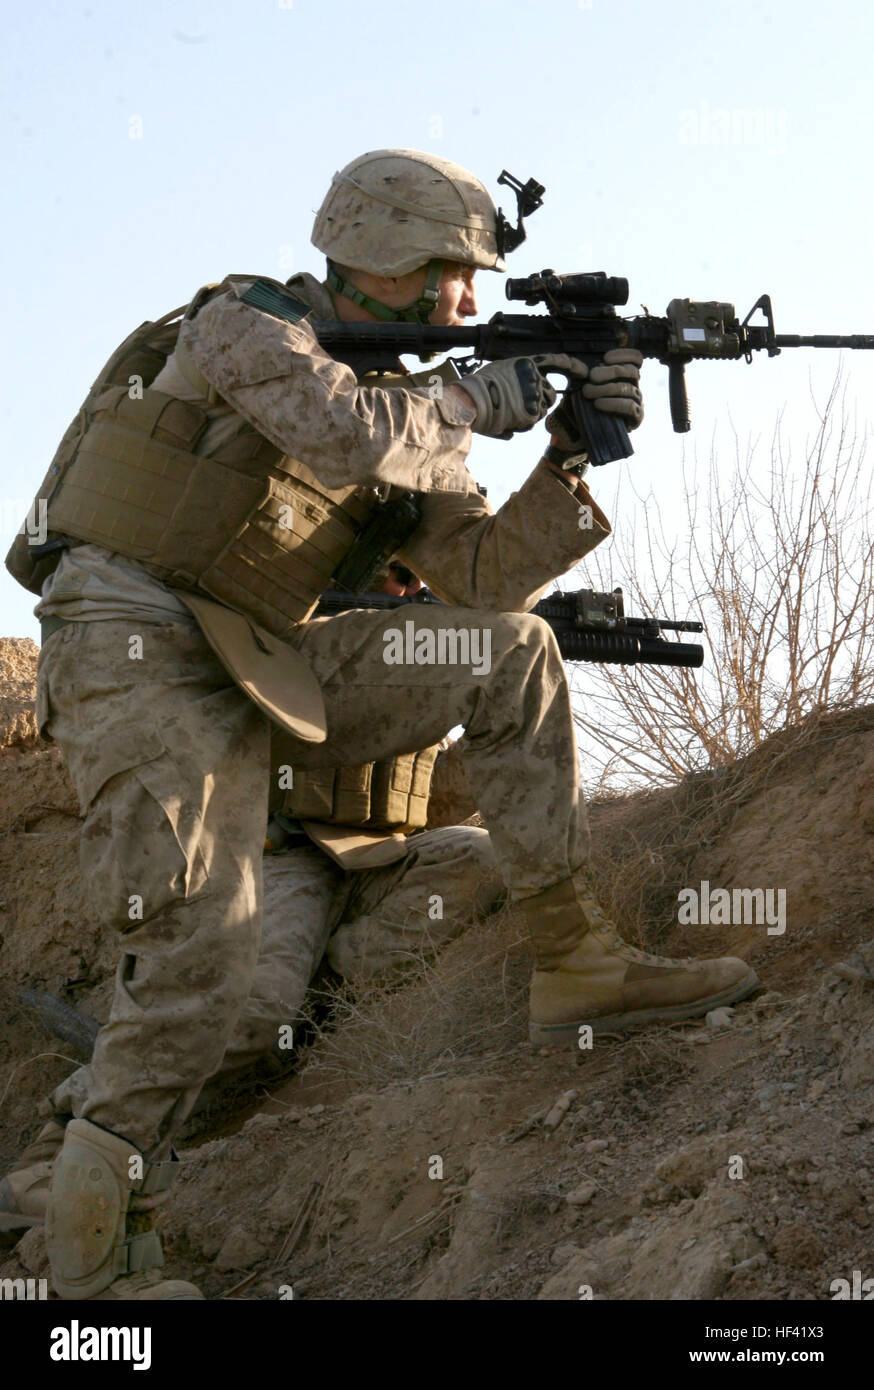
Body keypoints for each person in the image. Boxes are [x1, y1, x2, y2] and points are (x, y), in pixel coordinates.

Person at [3, 148, 757, 1300]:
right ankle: (90, 1270)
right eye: (459, 269)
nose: (473, 296)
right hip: (134, 627)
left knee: (504, 651)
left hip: (267, 651)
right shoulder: (244, 321)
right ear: (385, 249)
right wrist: (468, 397)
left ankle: (577, 961)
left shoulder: (420, 411)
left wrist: (569, 455)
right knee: (209, 942)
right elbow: (338, 428)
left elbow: (480, 576)